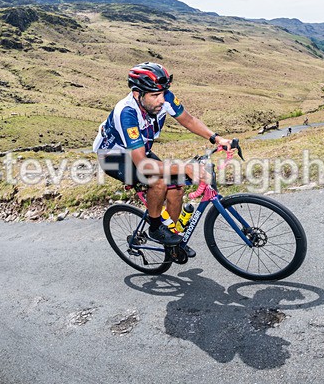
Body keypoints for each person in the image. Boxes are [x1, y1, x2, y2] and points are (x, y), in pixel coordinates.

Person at [93, 62, 233, 250]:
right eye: (155, 95)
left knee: (177, 185)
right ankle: (156, 226)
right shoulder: (126, 114)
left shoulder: (164, 97)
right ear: (137, 94)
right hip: (114, 158)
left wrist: (216, 138)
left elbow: (189, 120)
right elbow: (143, 165)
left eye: (162, 93)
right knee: (158, 181)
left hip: (139, 149)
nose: (161, 100)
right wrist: (187, 168)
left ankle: (172, 239)